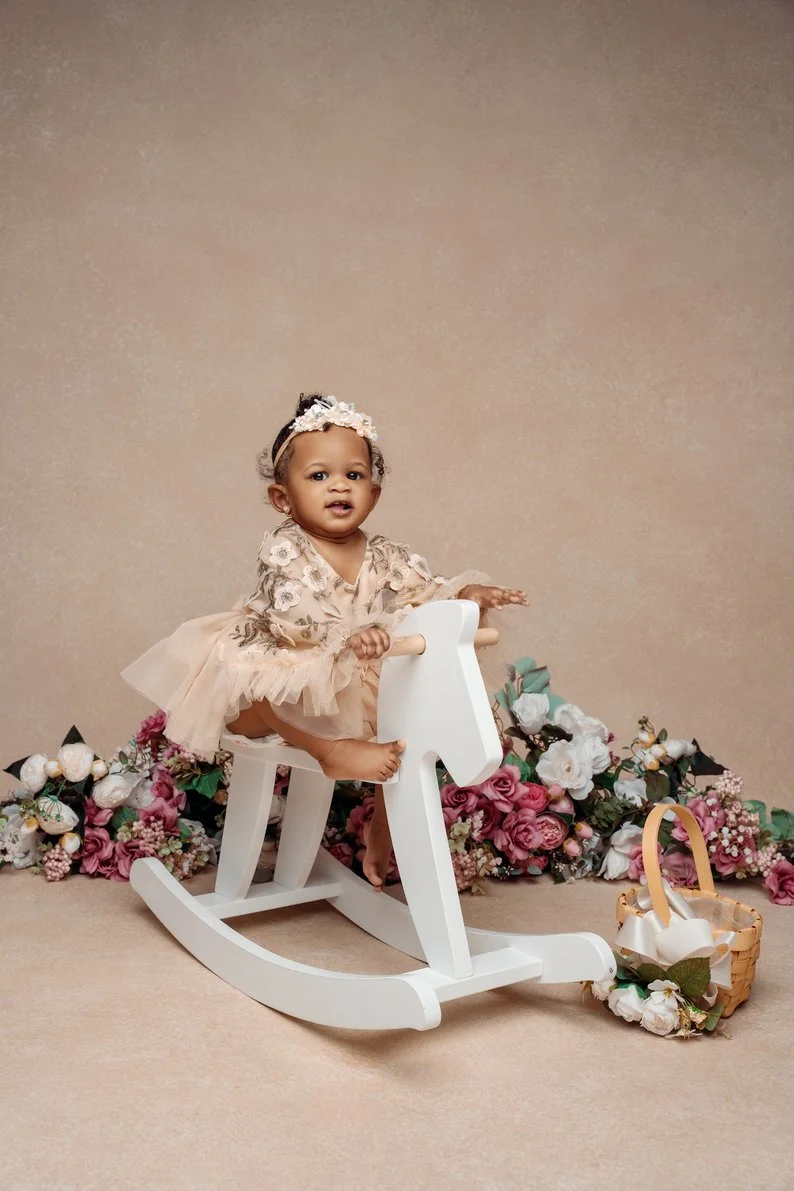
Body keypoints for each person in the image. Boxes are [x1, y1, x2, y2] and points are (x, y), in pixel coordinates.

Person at [122, 394, 527, 887]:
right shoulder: (284, 547)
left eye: (353, 476)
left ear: (373, 495)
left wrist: (466, 593)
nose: (338, 485)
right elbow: (295, 621)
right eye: (318, 476)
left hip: (350, 679)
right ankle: (325, 750)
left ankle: (385, 824)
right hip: (276, 677)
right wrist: (355, 636)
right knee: (262, 682)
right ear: (283, 499)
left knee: (410, 708)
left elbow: (425, 592)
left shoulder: (386, 554)